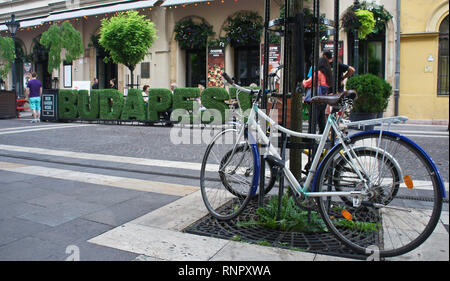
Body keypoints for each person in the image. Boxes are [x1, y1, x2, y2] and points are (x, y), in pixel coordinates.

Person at [302, 57, 332, 134]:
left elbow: (307, 83)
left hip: (317, 99)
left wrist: (302, 81)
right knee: (321, 119)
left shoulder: (318, 73)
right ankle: (323, 136)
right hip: (324, 99)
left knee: (313, 120)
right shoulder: (328, 74)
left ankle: (311, 138)